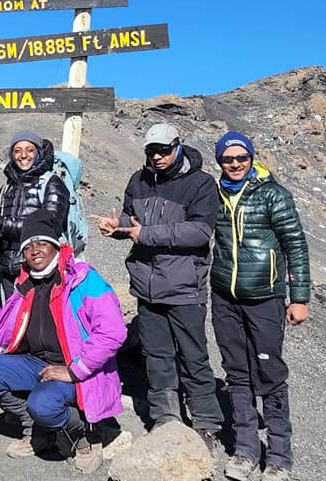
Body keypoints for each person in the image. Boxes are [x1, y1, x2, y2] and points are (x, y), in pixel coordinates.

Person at [89, 123, 224, 451]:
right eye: (153, 150)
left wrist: (145, 234)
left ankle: (206, 422)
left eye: (164, 149)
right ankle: (166, 419)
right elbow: (130, 219)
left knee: (193, 355)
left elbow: (200, 232)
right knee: (156, 355)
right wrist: (116, 227)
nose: (158, 156)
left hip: (184, 288)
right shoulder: (139, 180)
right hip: (145, 288)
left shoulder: (201, 184)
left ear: (178, 146)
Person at [0, 210, 126, 475]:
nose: (34, 251)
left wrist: (74, 370)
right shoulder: (26, 285)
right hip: (39, 364)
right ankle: (38, 429)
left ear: (56, 246)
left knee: (43, 404)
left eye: (42, 243)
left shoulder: (83, 279)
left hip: (79, 370)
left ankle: (85, 436)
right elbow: (2, 331)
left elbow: (114, 331)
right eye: (28, 246)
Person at [210, 131, 310, 481]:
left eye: (242, 157)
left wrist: (299, 298)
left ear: (252, 158)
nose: (235, 164)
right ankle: (246, 449)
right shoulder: (215, 194)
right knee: (236, 371)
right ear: (219, 160)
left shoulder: (273, 194)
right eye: (228, 158)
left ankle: (280, 455)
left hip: (265, 297)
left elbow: (295, 244)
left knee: (269, 373)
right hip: (224, 296)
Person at [0, 131, 69, 303]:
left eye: (29, 150)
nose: (23, 155)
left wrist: (3, 223)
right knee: (8, 326)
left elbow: (50, 225)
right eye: (17, 151)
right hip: (7, 272)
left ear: (39, 153)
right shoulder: (7, 187)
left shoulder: (52, 183)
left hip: (40, 272)